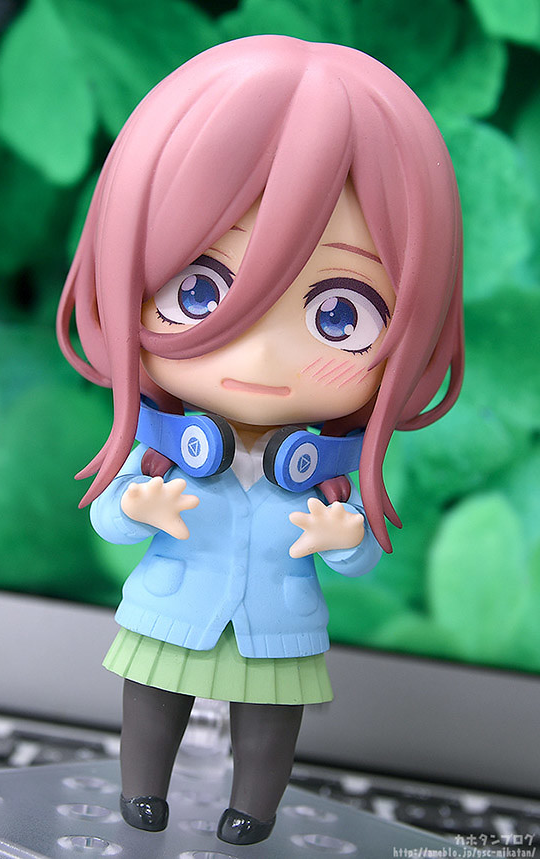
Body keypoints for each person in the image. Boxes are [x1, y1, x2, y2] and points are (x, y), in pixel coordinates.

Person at [57, 35, 464, 846]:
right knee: (154, 694)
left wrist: (342, 537)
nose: (257, 356)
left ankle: (253, 809)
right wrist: (137, 507)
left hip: (279, 621)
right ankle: (142, 793)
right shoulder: (164, 452)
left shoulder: (323, 476)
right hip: (173, 608)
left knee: (271, 716)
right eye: (198, 290)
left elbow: (360, 555)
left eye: (339, 314)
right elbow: (109, 516)